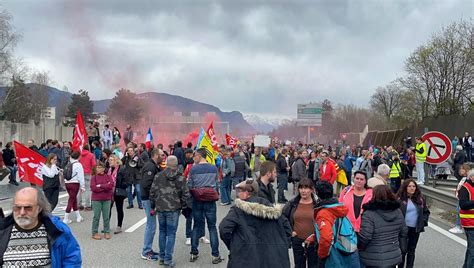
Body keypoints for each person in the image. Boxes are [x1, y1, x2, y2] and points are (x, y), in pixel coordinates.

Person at [219, 178, 291, 268]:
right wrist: (282, 246)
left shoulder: (238, 210)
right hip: (272, 258)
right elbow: (287, 228)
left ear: (246, 193)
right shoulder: (271, 208)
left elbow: (224, 229)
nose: (238, 194)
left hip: (245, 259)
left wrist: (234, 245)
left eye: (240, 191)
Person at [0, 187, 81, 266]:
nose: (22, 212)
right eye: (17, 207)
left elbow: (72, 258)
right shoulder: (2, 230)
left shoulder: (57, 229)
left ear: (39, 208)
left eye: (28, 208)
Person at [150, 155, 192, 267]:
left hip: (160, 208)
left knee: (162, 232)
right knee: (171, 233)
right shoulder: (180, 177)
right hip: (174, 208)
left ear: (166, 163)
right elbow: (186, 194)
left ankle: (162, 257)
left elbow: (152, 192)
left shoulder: (158, 175)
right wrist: (183, 206)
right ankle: (168, 259)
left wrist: (153, 206)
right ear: (177, 164)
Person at [187, 148, 224, 264]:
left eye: (195, 156)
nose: (194, 158)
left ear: (199, 155)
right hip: (210, 200)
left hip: (197, 200)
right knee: (212, 227)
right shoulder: (213, 168)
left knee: (197, 226)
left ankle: (194, 253)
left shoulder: (193, 169)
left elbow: (190, 185)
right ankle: (215, 255)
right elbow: (217, 183)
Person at [358, 185, 408, 268]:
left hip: (373, 257)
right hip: (393, 255)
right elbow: (404, 231)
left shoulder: (369, 214)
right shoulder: (398, 212)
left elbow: (365, 237)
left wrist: (360, 247)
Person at [304, 180, 351, 267]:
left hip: (331, 254)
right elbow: (334, 227)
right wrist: (315, 237)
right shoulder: (337, 206)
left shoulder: (324, 212)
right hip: (342, 249)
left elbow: (326, 238)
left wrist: (321, 255)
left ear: (317, 193)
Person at [339, 170, 373, 268]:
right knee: (349, 256)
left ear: (365, 181)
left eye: (361, 179)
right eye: (357, 178)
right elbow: (339, 208)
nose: (359, 181)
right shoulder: (346, 191)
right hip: (347, 230)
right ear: (353, 179)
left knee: (362, 257)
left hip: (364, 230)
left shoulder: (371, 193)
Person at [282, 178, 318, 268]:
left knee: (314, 265)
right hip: (297, 241)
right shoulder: (293, 203)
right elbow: (282, 218)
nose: (303, 191)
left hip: (313, 242)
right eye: (301, 188)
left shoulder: (317, 204)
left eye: (306, 188)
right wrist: (290, 231)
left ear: (312, 189)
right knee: (299, 265)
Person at [397, 179, 430, 268]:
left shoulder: (420, 199)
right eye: (409, 186)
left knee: (411, 250)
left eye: (414, 186)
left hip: (415, 229)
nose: (412, 188)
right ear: (405, 188)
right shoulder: (399, 199)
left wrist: (423, 222)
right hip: (403, 229)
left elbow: (426, 212)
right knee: (403, 250)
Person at [140, 149, 163, 261]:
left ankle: (148, 249)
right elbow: (147, 184)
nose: (163, 157)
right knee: (151, 226)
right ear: (155, 155)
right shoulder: (150, 167)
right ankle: (146, 251)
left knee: (152, 225)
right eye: (161, 155)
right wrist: (154, 199)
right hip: (149, 200)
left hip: (150, 199)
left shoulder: (153, 165)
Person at [90, 162, 114, 240]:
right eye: (97, 167)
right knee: (96, 216)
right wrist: (105, 187)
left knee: (106, 217)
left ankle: (106, 231)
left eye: (100, 167)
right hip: (96, 199)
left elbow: (110, 186)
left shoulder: (108, 176)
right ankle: (94, 232)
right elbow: (93, 188)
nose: (98, 169)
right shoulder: (94, 177)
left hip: (107, 199)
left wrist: (100, 185)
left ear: (103, 168)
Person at [63, 151, 85, 224]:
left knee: (73, 199)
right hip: (75, 183)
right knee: (71, 199)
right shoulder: (78, 165)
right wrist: (82, 186)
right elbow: (80, 176)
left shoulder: (69, 163)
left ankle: (78, 216)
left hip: (67, 183)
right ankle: (66, 217)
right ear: (78, 156)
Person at [458, 168, 474, 268]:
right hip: (469, 222)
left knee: (471, 249)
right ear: (472, 177)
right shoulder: (465, 188)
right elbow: (463, 204)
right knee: (473, 250)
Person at [450, 164, 472, 234]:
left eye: (461, 169)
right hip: (460, 198)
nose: (460, 170)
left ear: (465, 170)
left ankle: (459, 226)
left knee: (460, 212)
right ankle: (460, 226)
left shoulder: (468, 179)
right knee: (459, 211)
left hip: (463, 199)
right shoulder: (463, 178)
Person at [109, 155, 127, 234]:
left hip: (118, 191)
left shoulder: (121, 169)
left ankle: (119, 226)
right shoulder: (109, 169)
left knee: (119, 209)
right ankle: (107, 226)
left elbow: (126, 180)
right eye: (109, 160)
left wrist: (121, 185)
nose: (109, 161)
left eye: (111, 160)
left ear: (116, 161)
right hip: (109, 191)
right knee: (107, 209)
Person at [78, 144, 97, 210]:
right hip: (88, 173)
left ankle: (78, 204)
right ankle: (88, 205)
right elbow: (94, 164)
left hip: (79, 174)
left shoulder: (79, 155)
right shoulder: (91, 155)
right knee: (87, 189)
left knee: (79, 189)